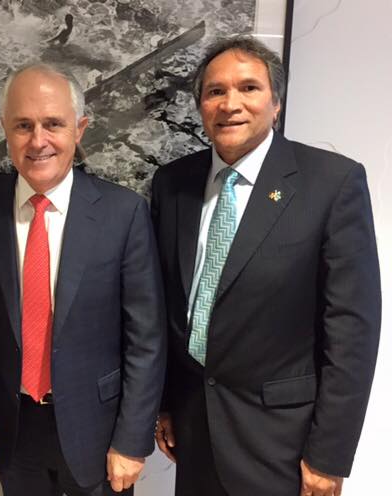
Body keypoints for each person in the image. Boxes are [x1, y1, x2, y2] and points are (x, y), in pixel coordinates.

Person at [151, 36, 381, 496]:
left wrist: (329, 454)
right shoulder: (173, 183)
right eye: (215, 91)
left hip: (285, 444)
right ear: (200, 106)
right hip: (195, 430)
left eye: (248, 88)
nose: (230, 103)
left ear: (275, 103)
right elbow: (166, 306)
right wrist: (165, 404)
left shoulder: (332, 183)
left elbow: (353, 330)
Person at [0, 63, 166, 496]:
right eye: (23, 125)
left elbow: (146, 338)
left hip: (100, 435)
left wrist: (132, 440)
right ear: (5, 130)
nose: (38, 140)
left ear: (80, 128)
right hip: (11, 433)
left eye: (53, 124)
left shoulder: (123, 214)